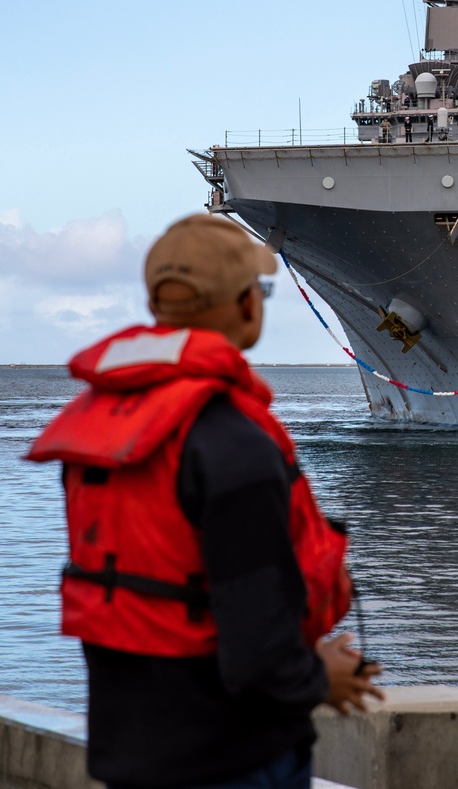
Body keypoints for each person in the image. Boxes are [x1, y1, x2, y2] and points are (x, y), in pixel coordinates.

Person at [28, 214, 383, 789]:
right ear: (246, 305)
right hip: (233, 758)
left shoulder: (105, 437)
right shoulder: (235, 445)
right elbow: (257, 655)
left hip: (131, 754)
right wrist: (320, 676)